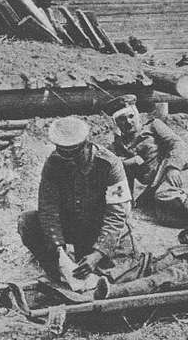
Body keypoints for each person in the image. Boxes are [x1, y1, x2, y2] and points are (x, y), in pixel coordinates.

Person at [17, 116, 133, 289]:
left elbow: (116, 215)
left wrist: (98, 253)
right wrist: (59, 249)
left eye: (74, 153)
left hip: (101, 229)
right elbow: (48, 209)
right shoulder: (54, 164)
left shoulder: (109, 164)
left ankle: (94, 268)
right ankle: (62, 274)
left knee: (114, 277)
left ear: (87, 145)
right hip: (73, 226)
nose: (68, 159)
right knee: (27, 221)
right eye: (63, 153)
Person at [103, 94, 188, 229]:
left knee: (165, 194)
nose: (128, 122)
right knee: (165, 217)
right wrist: (129, 163)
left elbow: (180, 145)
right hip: (157, 185)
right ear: (116, 123)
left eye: (131, 116)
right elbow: (111, 167)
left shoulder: (153, 126)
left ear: (137, 115)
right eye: (122, 119)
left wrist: (173, 167)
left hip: (183, 174)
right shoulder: (118, 145)